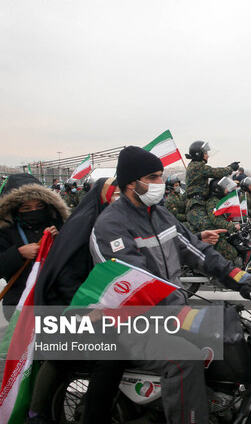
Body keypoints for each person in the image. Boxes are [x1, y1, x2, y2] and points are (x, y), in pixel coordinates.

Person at [89, 146, 251, 423]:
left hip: (167, 315)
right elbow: (136, 286)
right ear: (131, 182)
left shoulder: (160, 214)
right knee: (185, 358)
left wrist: (243, 279)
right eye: (152, 177)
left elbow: (199, 252)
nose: (159, 183)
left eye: (160, 176)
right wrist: (185, 316)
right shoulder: (110, 226)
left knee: (232, 341)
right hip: (129, 323)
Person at [28, 178, 121, 424]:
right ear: (102, 195)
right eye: (115, 193)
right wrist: (88, 308)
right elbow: (68, 276)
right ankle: (37, 414)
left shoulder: (105, 221)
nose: (118, 198)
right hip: (71, 306)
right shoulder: (84, 224)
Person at [0, 174, 67, 320]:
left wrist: (59, 240)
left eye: (39, 206)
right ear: (15, 209)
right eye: (26, 208)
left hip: (56, 302)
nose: (34, 211)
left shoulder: (57, 224)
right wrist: (18, 254)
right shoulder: (6, 231)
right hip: (20, 303)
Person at [185, 140, 238, 232]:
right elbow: (216, 172)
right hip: (196, 205)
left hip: (200, 202)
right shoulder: (197, 166)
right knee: (208, 228)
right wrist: (230, 168)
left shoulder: (195, 165)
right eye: (205, 153)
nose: (207, 155)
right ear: (199, 154)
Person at [205, 177, 241, 262]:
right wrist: (232, 226)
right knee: (231, 253)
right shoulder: (212, 202)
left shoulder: (219, 200)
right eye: (224, 188)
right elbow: (215, 220)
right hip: (215, 235)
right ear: (218, 189)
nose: (227, 190)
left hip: (223, 233)